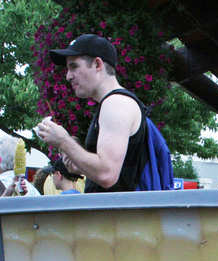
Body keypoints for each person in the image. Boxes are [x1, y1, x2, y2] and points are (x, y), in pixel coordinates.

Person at [36, 34, 148, 193]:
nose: (68, 76)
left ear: (97, 64)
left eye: (74, 66)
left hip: (114, 216)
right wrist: (79, 164)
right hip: (116, 215)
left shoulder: (115, 103)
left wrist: (63, 142)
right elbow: (120, 175)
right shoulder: (115, 103)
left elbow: (107, 174)